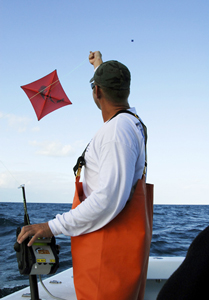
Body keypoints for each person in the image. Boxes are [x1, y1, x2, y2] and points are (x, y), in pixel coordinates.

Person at [17, 51, 152, 300]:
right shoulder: (130, 122)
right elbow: (110, 102)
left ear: (97, 92)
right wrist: (98, 67)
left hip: (107, 257)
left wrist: (51, 227)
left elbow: (108, 200)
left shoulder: (116, 132)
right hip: (116, 253)